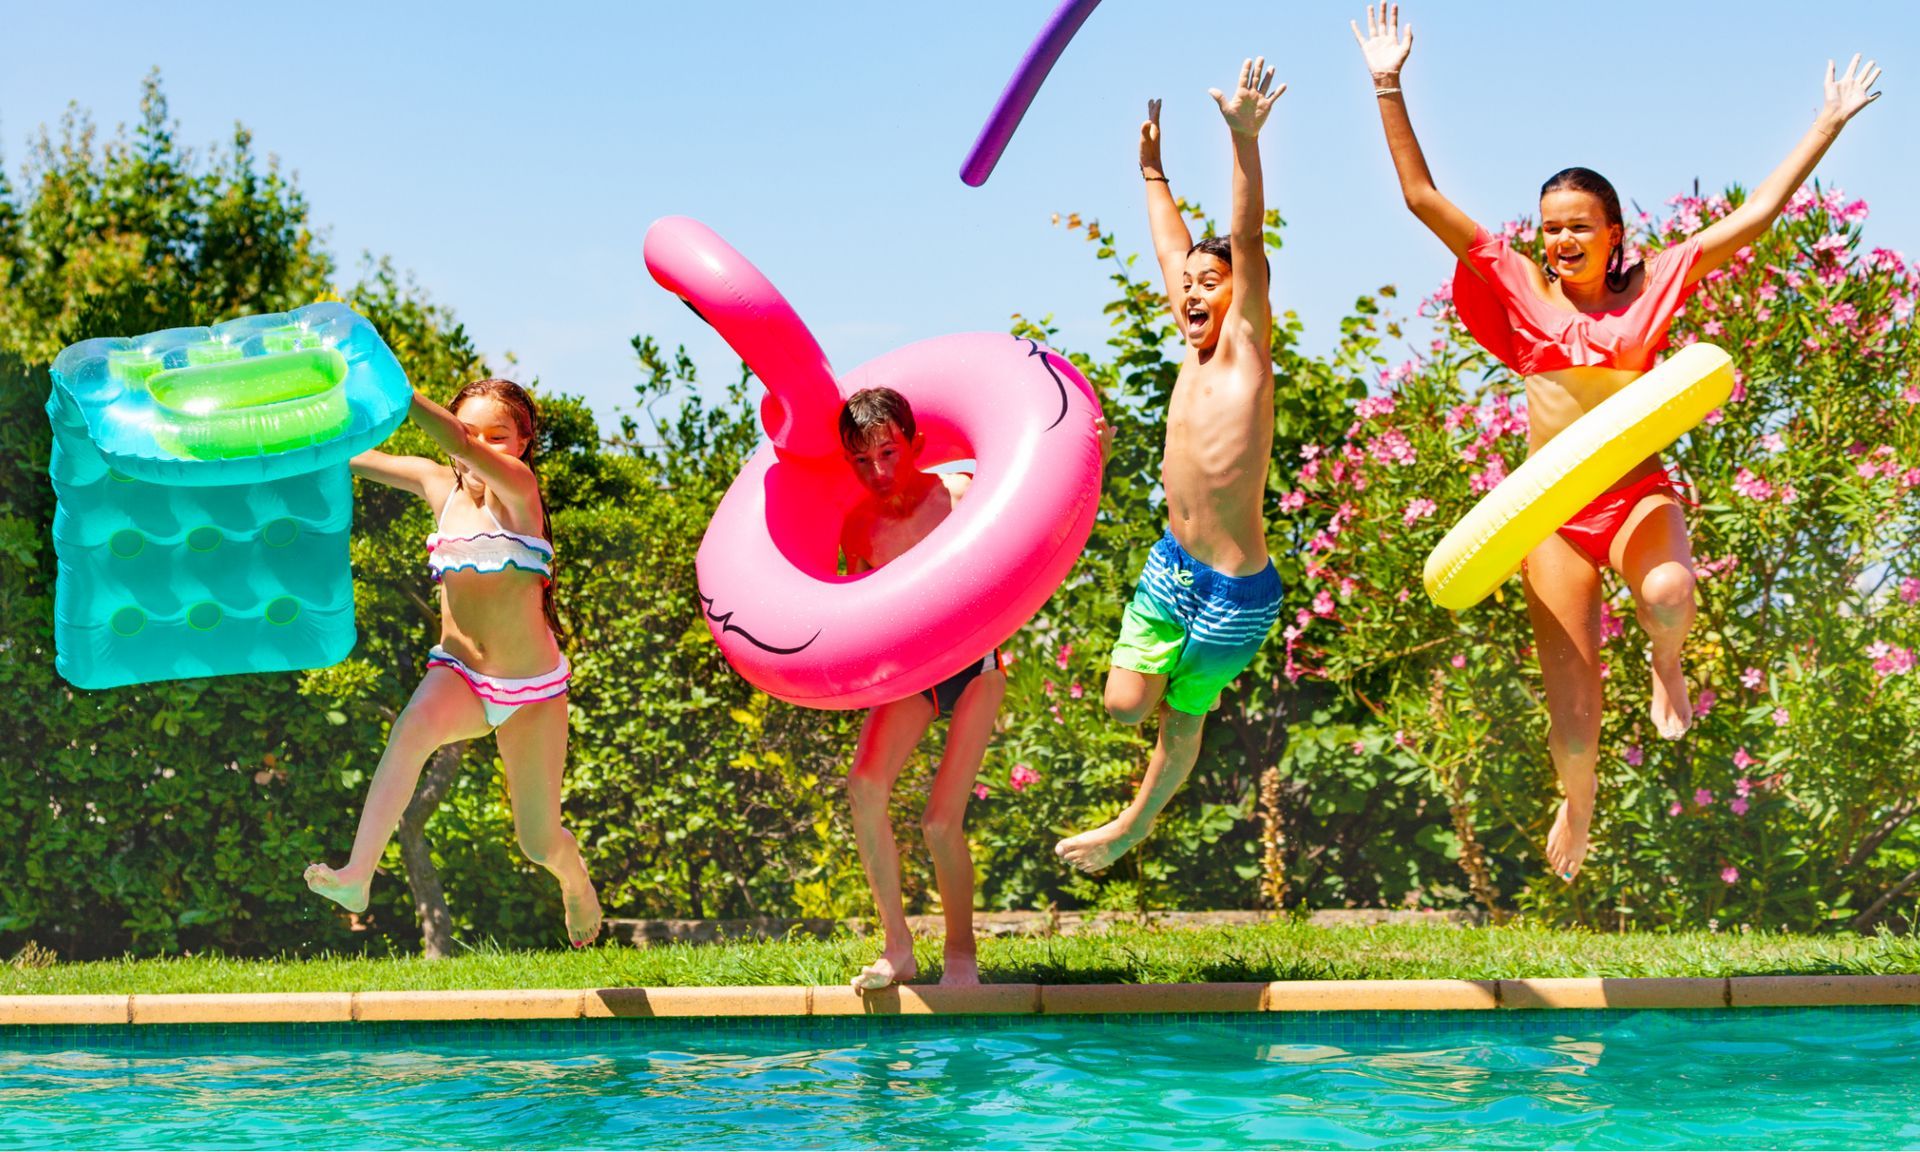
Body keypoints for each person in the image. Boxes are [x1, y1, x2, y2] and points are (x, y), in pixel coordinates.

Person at [1352, 2, 1883, 879]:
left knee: (1670, 592)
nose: (1561, 239)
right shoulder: (1517, 283)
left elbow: (1752, 220)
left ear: (1613, 235)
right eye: (1551, 225)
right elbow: (1420, 197)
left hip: (1635, 494)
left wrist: (1823, 123)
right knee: (1573, 711)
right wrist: (1387, 81)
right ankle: (1580, 800)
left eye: (1578, 226)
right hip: (1552, 514)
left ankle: (1667, 664)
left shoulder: (1654, 284)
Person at [1055, 58, 1287, 875]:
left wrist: (1242, 141)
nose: (1188, 290)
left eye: (1208, 282)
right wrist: (1153, 171)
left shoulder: (1245, 354)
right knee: (1125, 708)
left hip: (1236, 592)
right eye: (1184, 284)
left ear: (1242, 297)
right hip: (1171, 568)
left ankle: (1132, 825)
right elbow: (1168, 245)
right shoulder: (1191, 347)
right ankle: (1135, 811)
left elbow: (1247, 238)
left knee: (1180, 725)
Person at [305, 379, 601, 946]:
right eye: (474, 432)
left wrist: (398, 390)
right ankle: (356, 877)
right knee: (410, 730)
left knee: (537, 842)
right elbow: (348, 458)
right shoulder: (437, 484)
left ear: (523, 443)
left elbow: (462, 444)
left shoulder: (519, 489)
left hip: (532, 691)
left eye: (500, 436)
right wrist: (283, 443)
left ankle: (574, 881)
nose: (485, 447)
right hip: (460, 675)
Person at [840, 386, 1109, 988]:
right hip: (915, 676)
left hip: (975, 668)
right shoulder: (859, 528)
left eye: (888, 452)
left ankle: (960, 955)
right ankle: (898, 948)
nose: (878, 471)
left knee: (940, 822)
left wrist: (1098, 458)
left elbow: (1039, 513)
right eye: (862, 460)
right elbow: (854, 617)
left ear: (915, 443)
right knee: (863, 787)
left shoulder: (958, 494)